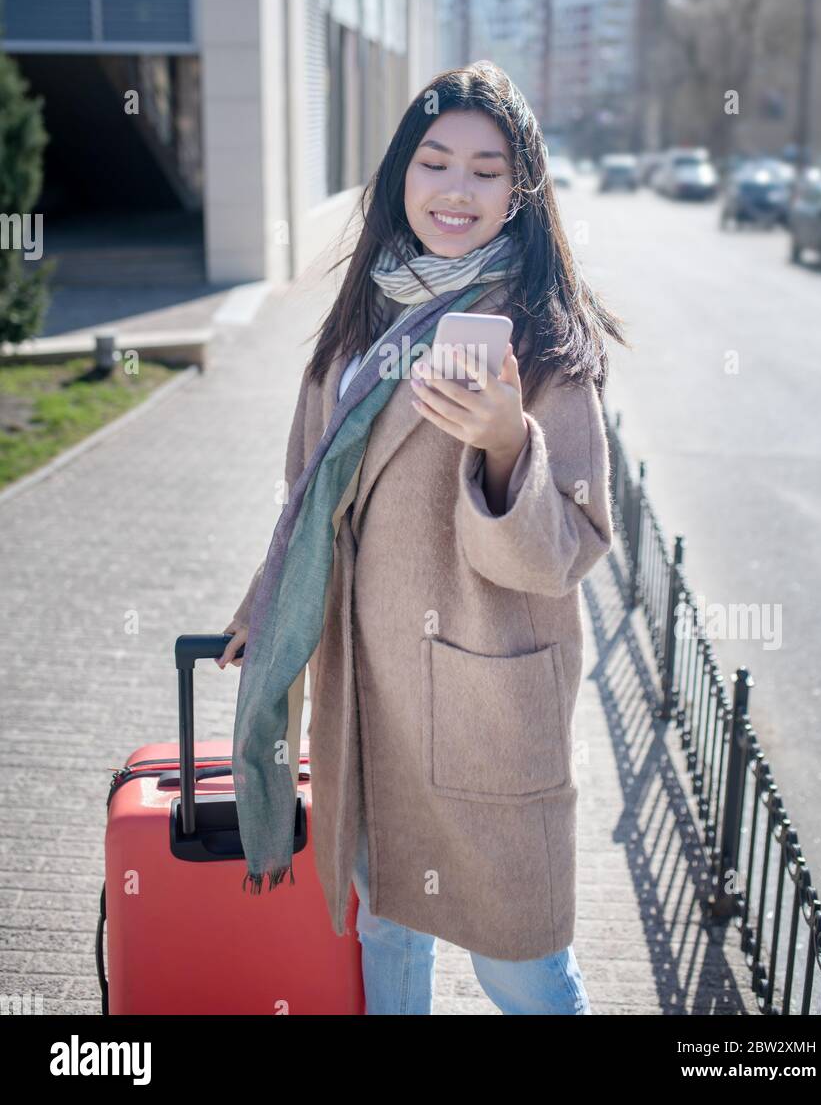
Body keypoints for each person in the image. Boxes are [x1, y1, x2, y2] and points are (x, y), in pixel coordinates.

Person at [218, 60, 628, 1015]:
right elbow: (306, 493)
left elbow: (568, 547)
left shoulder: (540, 332)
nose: (456, 189)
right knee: (384, 926)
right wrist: (263, 605)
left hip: (485, 701)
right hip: (369, 697)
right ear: (401, 171)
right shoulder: (364, 313)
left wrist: (503, 446)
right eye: (435, 161)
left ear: (521, 190)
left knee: (519, 965)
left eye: (487, 170)